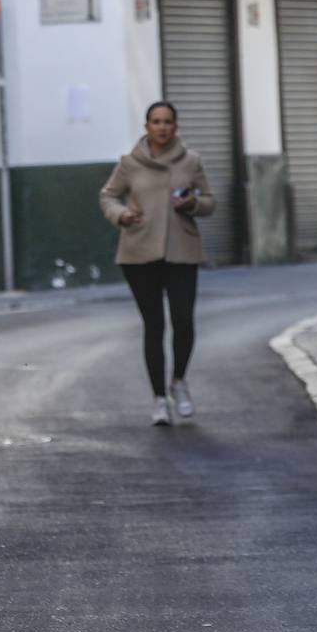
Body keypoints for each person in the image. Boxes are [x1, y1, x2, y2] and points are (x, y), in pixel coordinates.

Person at [99, 100, 216, 425]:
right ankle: (159, 400)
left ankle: (179, 381)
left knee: (183, 321)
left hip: (182, 251)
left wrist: (193, 203)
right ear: (146, 126)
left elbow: (210, 202)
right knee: (153, 325)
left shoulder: (191, 161)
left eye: (167, 122)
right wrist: (121, 215)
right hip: (139, 252)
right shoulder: (130, 163)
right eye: (155, 121)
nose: (161, 127)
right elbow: (107, 195)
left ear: (175, 127)